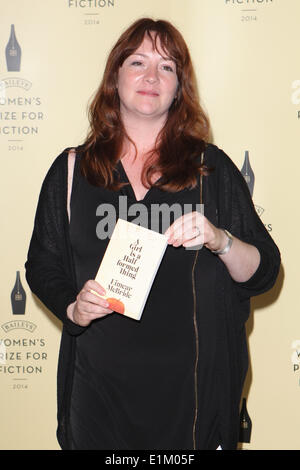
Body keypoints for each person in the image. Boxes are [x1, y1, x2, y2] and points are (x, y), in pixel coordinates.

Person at [25, 18, 280, 451]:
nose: (150, 76)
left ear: (179, 87)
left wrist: (221, 240)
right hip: (97, 401)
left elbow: (264, 272)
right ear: (115, 78)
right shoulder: (72, 169)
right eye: (138, 62)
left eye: (166, 67)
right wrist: (73, 306)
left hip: (191, 406)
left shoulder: (210, 169)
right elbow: (42, 265)